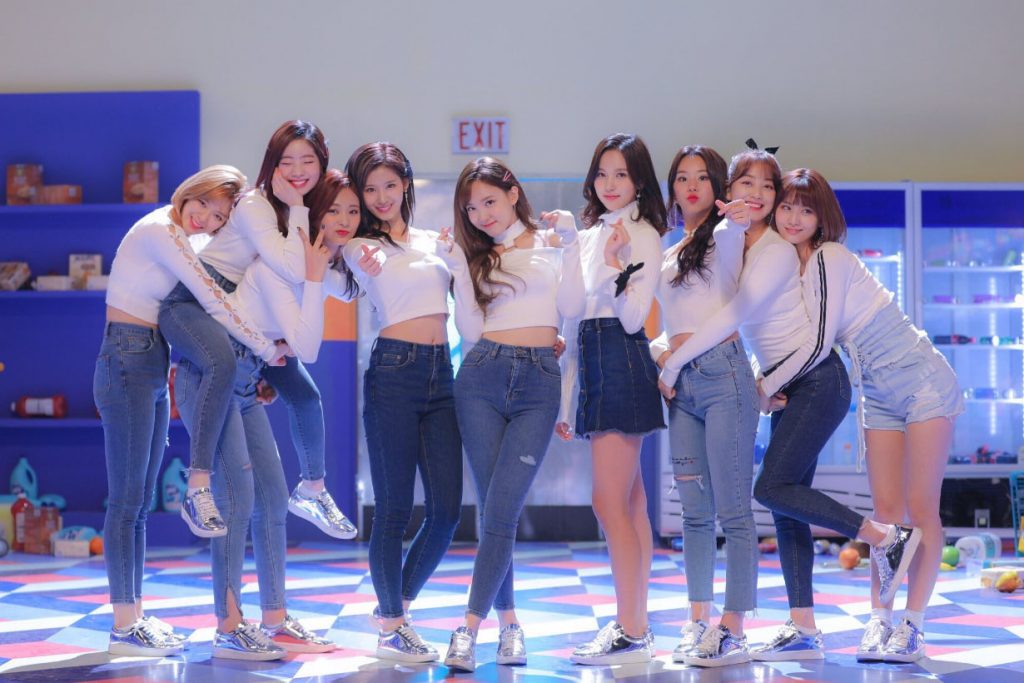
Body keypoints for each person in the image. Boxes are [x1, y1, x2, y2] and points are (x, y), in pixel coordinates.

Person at [657, 147, 923, 662]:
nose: (757, 195)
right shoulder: (739, 241)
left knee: (770, 488)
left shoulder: (776, 250)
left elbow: (737, 315)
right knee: (785, 505)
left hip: (817, 383)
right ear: (729, 190)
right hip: (788, 384)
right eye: (747, 184)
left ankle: (883, 537)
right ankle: (803, 625)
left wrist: (752, 385)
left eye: (767, 187)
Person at [772, 168, 962, 663]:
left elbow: (818, 340)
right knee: (886, 513)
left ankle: (913, 625)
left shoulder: (830, 257)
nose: (793, 218)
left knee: (921, 507)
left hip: (922, 379)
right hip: (876, 389)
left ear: (822, 217)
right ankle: (880, 619)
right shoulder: (790, 267)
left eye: (806, 209)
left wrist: (762, 388)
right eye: (786, 206)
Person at [95, 165, 280, 656]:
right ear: (189, 192)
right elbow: (211, 298)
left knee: (138, 503)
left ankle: (133, 615)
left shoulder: (182, 237)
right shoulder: (162, 230)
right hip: (126, 358)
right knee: (126, 502)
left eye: (218, 217)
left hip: (150, 360)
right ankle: (123, 625)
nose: (206, 220)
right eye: (203, 205)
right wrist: (265, 347)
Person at [173, 186, 351, 659]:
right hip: (210, 378)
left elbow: (341, 291)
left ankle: (275, 619)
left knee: (271, 498)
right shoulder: (273, 259)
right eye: (332, 211)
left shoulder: (310, 265)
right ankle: (228, 626)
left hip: (249, 378)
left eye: (349, 212)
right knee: (236, 499)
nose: (340, 220)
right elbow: (300, 340)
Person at [159, 121, 356, 540]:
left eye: (308, 161)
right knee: (223, 368)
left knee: (306, 395)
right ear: (272, 164)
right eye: (287, 161)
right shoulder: (257, 205)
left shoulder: (300, 210)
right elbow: (292, 268)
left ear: (322, 164)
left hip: (246, 318)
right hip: (203, 299)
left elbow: (322, 276)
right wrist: (299, 206)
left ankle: (313, 489)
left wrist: (359, 255)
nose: (298, 170)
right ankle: (197, 487)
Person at [440, 157, 584, 672]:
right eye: (471, 208)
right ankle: (508, 626)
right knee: (494, 511)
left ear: (514, 193)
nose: (481, 215)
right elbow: (470, 332)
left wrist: (572, 243)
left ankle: (468, 628)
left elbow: (573, 307)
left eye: (489, 201)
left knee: (501, 509)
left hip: (538, 381)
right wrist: (459, 269)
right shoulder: (477, 257)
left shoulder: (553, 244)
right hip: (481, 376)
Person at [343, 142, 470, 662]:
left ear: (406, 186)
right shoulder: (358, 245)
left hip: (443, 373)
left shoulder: (433, 241)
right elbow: (358, 262)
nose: (381, 197)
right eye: (370, 188)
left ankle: (395, 608)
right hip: (393, 373)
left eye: (390, 185)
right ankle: (394, 625)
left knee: (446, 511)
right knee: (394, 509)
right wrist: (364, 254)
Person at [557, 133, 667, 665]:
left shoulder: (643, 234)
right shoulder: (587, 235)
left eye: (621, 173)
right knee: (630, 502)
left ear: (639, 180)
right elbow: (573, 315)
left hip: (622, 357)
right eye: (602, 173)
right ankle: (636, 625)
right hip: (592, 356)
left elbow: (631, 319)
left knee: (609, 502)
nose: (609, 183)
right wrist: (565, 400)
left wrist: (618, 262)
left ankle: (631, 630)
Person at [650, 145, 759, 667]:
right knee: (694, 512)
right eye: (681, 178)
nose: (690, 186)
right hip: (682, 387)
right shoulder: (669, 251)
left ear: (718, 186)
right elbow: (666, 326)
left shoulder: (726, 236)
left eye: (701, 177)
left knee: (734, 510)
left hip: (723, 377)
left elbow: (735, 238)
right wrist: (661, 357)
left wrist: (737, 219)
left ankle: (733, 629)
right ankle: (698, 620)